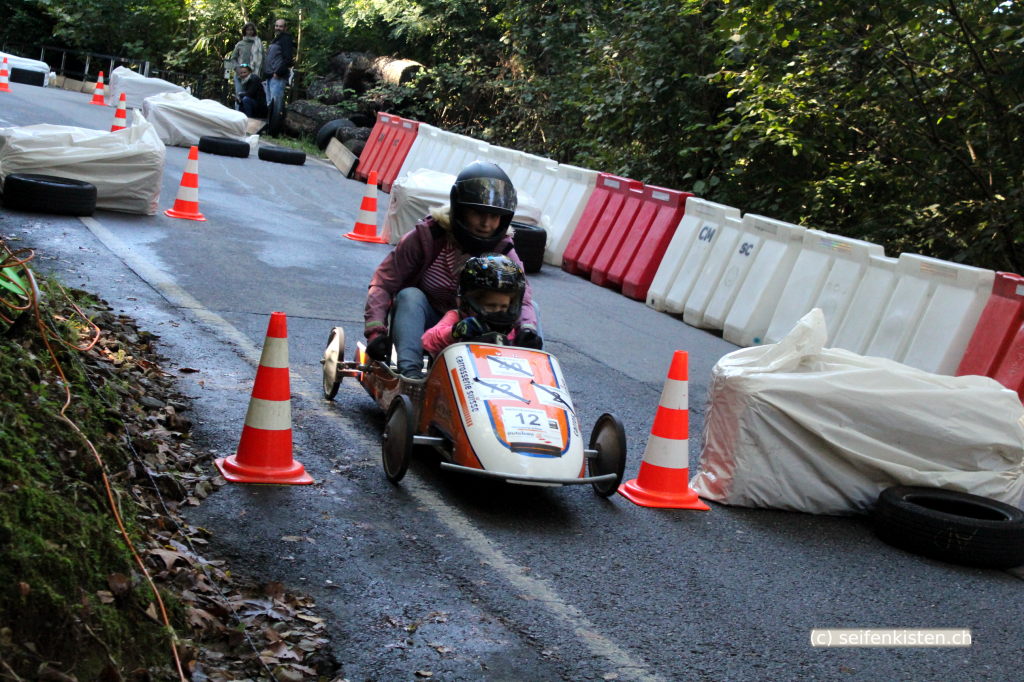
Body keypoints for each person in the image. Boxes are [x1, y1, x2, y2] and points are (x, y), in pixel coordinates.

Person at [363, 161, 543, 379]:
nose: (486, 224)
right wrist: (375, 331)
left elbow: (523, 301)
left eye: (494, 216)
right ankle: (410, 374)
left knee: (530, 308)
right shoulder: (426, 237)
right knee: (410, 295)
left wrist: (527, 330)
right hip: (428, 325)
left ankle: (530, 379)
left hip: (481, 327)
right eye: (478, 213)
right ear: (460, 209)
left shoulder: (503, 250)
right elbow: (383, 284)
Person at [421, 254, 529, 356]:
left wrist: (527, 342)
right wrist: (456, 332)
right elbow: (427, 341)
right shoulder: (457, 317)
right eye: (491, 306)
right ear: (469, 301)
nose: (497, 311)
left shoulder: (508, 328)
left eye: (504, 307)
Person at [263, 17, 294, 106]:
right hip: (270, 76)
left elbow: (288, 59)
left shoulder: (286, 39)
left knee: (275, 105)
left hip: (277, 77)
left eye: (280, 26)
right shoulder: (277, 39)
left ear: (285, 28)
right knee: (269, 105)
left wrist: (278, 73)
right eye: (276, 26)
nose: (278, 28)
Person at [230, 22, 263, 101]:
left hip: (253, 76)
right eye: (248, 30)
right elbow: (233, 58)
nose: (249, 32)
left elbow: (263, 60)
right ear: (244, 31)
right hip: (240, 75)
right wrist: (237, 69)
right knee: (239, 96)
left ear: (254, 31)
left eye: (251, 30)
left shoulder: (258, 44)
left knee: (251, 98)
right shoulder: (240, 44)